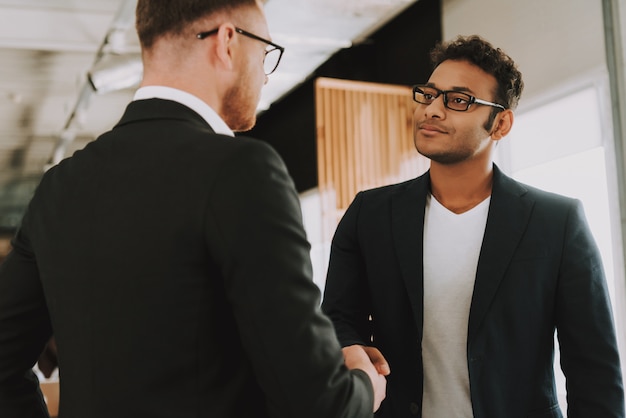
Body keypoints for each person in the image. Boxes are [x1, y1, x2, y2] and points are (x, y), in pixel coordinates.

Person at [0, 1, 388, 417]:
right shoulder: (242, 170)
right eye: (265, 54)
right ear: (227, 42)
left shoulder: (59, 186)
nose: (263, 74)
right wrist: (364, 382)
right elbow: (319, 403)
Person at [321, 34, 625, 417]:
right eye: (429, 95)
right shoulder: (370, 214)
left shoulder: (556, 223)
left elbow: (594, 371)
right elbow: (336, 317)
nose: (432, 109)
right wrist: (348, 347)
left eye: (458, 100)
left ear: (500, 123)